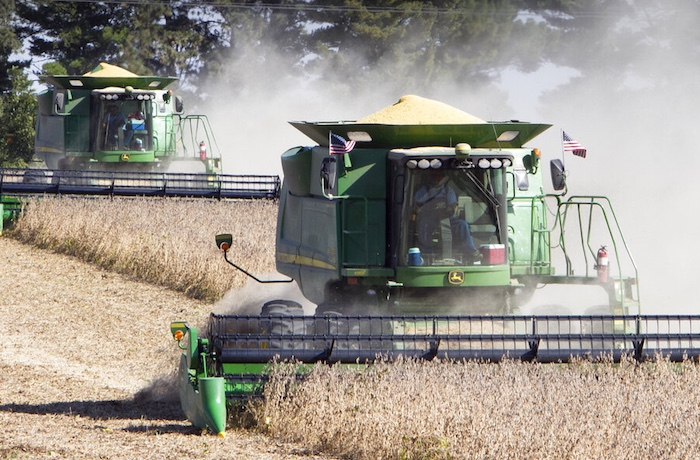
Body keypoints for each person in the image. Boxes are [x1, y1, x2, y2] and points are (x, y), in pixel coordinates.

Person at [414, 169, 481, 261]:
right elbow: (416, 206)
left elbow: (452, 207)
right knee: (423, 223)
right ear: (430, 177)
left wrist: (446, 211)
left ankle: (471, 251)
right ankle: (425, 250)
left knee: (462, 224)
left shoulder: (448, 191)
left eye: (439, 176)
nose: (437, 178)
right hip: (429, 219)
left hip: (448, 219)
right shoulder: (423, 191)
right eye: (434, 175)